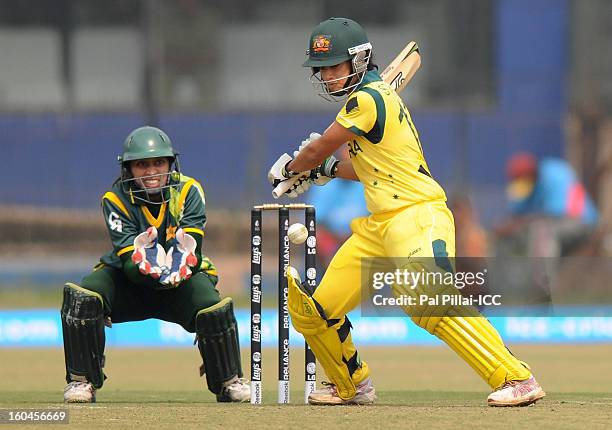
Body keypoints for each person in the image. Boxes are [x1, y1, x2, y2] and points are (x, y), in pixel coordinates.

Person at [268, 17, 545, 407]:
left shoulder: (367, 100)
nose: (328, 76)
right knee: (315, 310)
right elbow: (363, 169)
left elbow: (319, 148)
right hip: (379, 225)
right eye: (322, 69)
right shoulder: (368, 104)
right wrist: (323, 169)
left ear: (359, 60)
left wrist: (294, 166)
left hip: (416, 215)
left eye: (334, 65)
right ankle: (351, 386)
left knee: (427, 300)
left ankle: (516, 378)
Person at [61, 126, 249, 403]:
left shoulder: (188, 190)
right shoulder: (115, 199)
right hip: (129, 280)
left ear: (171, 163)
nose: (151, 171)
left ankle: (228, 381)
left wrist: (178, 265)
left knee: (212, 306)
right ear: (128, 169)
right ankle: (81, 382)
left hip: (181, 278)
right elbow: (128, 262)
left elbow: (193, 247)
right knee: (84, 297)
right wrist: (144, 264)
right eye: (142, 164)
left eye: (158, 162)